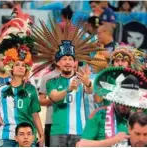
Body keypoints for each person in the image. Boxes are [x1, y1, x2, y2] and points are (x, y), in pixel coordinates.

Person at [32, 14, 104, 147]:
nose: (67, 62)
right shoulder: (51, 81)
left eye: (70, 59)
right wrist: (69, 89)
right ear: (58, 63)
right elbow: (54, 97)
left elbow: (90, 91)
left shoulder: (82, 78)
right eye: (64, 59)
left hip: (79, 131)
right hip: (58, 132)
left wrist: (87, 83)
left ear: (75, 62)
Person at [0, 5, 44, 147]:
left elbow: (35, 114)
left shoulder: (31, 89)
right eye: (17, 65)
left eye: (23, 65)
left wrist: (41, 134)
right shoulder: (1, 88)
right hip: (6, 135)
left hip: (27, 136)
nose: (20, 67)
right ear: (10, 68)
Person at [76, 67, 147, 147]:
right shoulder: (99, 114)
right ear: (115, 97)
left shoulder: (137, 118)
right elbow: (80, 145)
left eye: (127, 102)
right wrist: (113, 141)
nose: (123, 105)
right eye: (121, 100)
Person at [39, 64, 60, 147]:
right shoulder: (47, 77)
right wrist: (57, 98)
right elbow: (41, 101)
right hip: (51, 121)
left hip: (72, 123)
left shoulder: (75, 77)